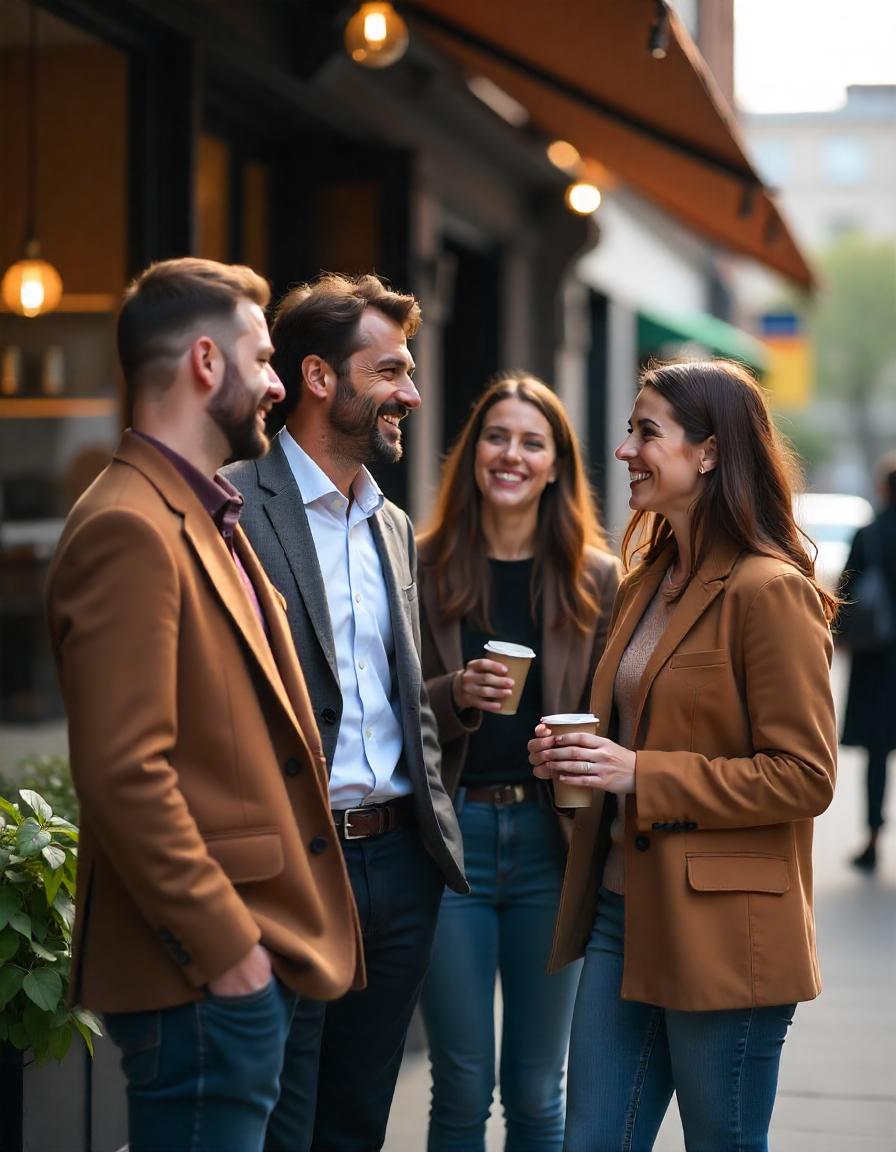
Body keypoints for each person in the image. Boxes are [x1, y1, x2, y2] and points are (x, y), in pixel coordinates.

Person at [45, 257, 363, 1152]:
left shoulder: (196, 515)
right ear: (204, 363)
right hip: (201, 981)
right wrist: (230, 953)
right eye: (262, 360)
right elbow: (123, 773)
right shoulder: (127, 528)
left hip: (245, 971)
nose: (276, 383)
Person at [528, 358, 838, 1152]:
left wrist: (640, 773)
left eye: (646, 433)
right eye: (630, 431)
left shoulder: (769, 591)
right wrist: (581, 756)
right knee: (589, 1141)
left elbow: (806, 775)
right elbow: (636, 731)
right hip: (619, 910)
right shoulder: (646, 581)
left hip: (725, 931)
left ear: (707, 452)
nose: (625, 450)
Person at [223, 272, 466, 1152]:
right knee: (280, 1125)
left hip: (400, 865)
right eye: (391, 369)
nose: (410, 391)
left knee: (359, 1121)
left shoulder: (391, 523)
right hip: (292, 864)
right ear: (321, 378)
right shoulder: (230, 508)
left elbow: (400, 697)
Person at [416, 372, 620, 1152]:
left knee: (539, 1090)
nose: (512, 454)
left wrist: (581, 751)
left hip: (551, 844)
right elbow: (385, 705)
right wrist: (455, 690)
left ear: (556, 464)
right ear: (472, 455)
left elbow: (621, 719)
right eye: (496, 437)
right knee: (462, 1084)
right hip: (451, 843)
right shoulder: (421, 564)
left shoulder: (596, 580)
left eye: (532, 442)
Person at [839, 450, 896, 872]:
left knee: (878, 753)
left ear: (884, 488)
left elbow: (846, 593)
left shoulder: (870, 534)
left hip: (878, 660)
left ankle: (873, 837)